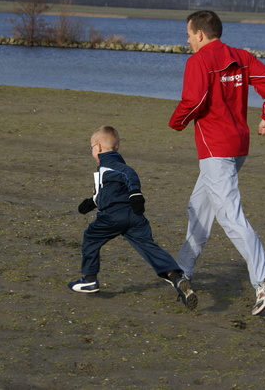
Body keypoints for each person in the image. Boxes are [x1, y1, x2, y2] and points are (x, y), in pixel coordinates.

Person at [169, 10, 265, 315]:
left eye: (188, 34)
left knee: (229, 216)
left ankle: (264, 278)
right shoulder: (241, 56)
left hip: (216, 150)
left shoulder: (199, 61)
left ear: (201, 35)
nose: (187, 40)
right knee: (199, 208)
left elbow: (193, 101)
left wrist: (176, 122)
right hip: (238, 146)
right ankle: (181, 270)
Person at [69, 125, 198, 310]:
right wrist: (90, 203)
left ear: (97, 147)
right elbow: (105, 193)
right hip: (134, 218)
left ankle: (89, 279)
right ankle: (177, 279)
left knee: (90, 237)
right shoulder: (108, 167)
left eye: (91, 148)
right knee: (149, 247)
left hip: (115, 215)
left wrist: (136, 194)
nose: (91, 151)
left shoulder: (109, 164)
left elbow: (129, 174)